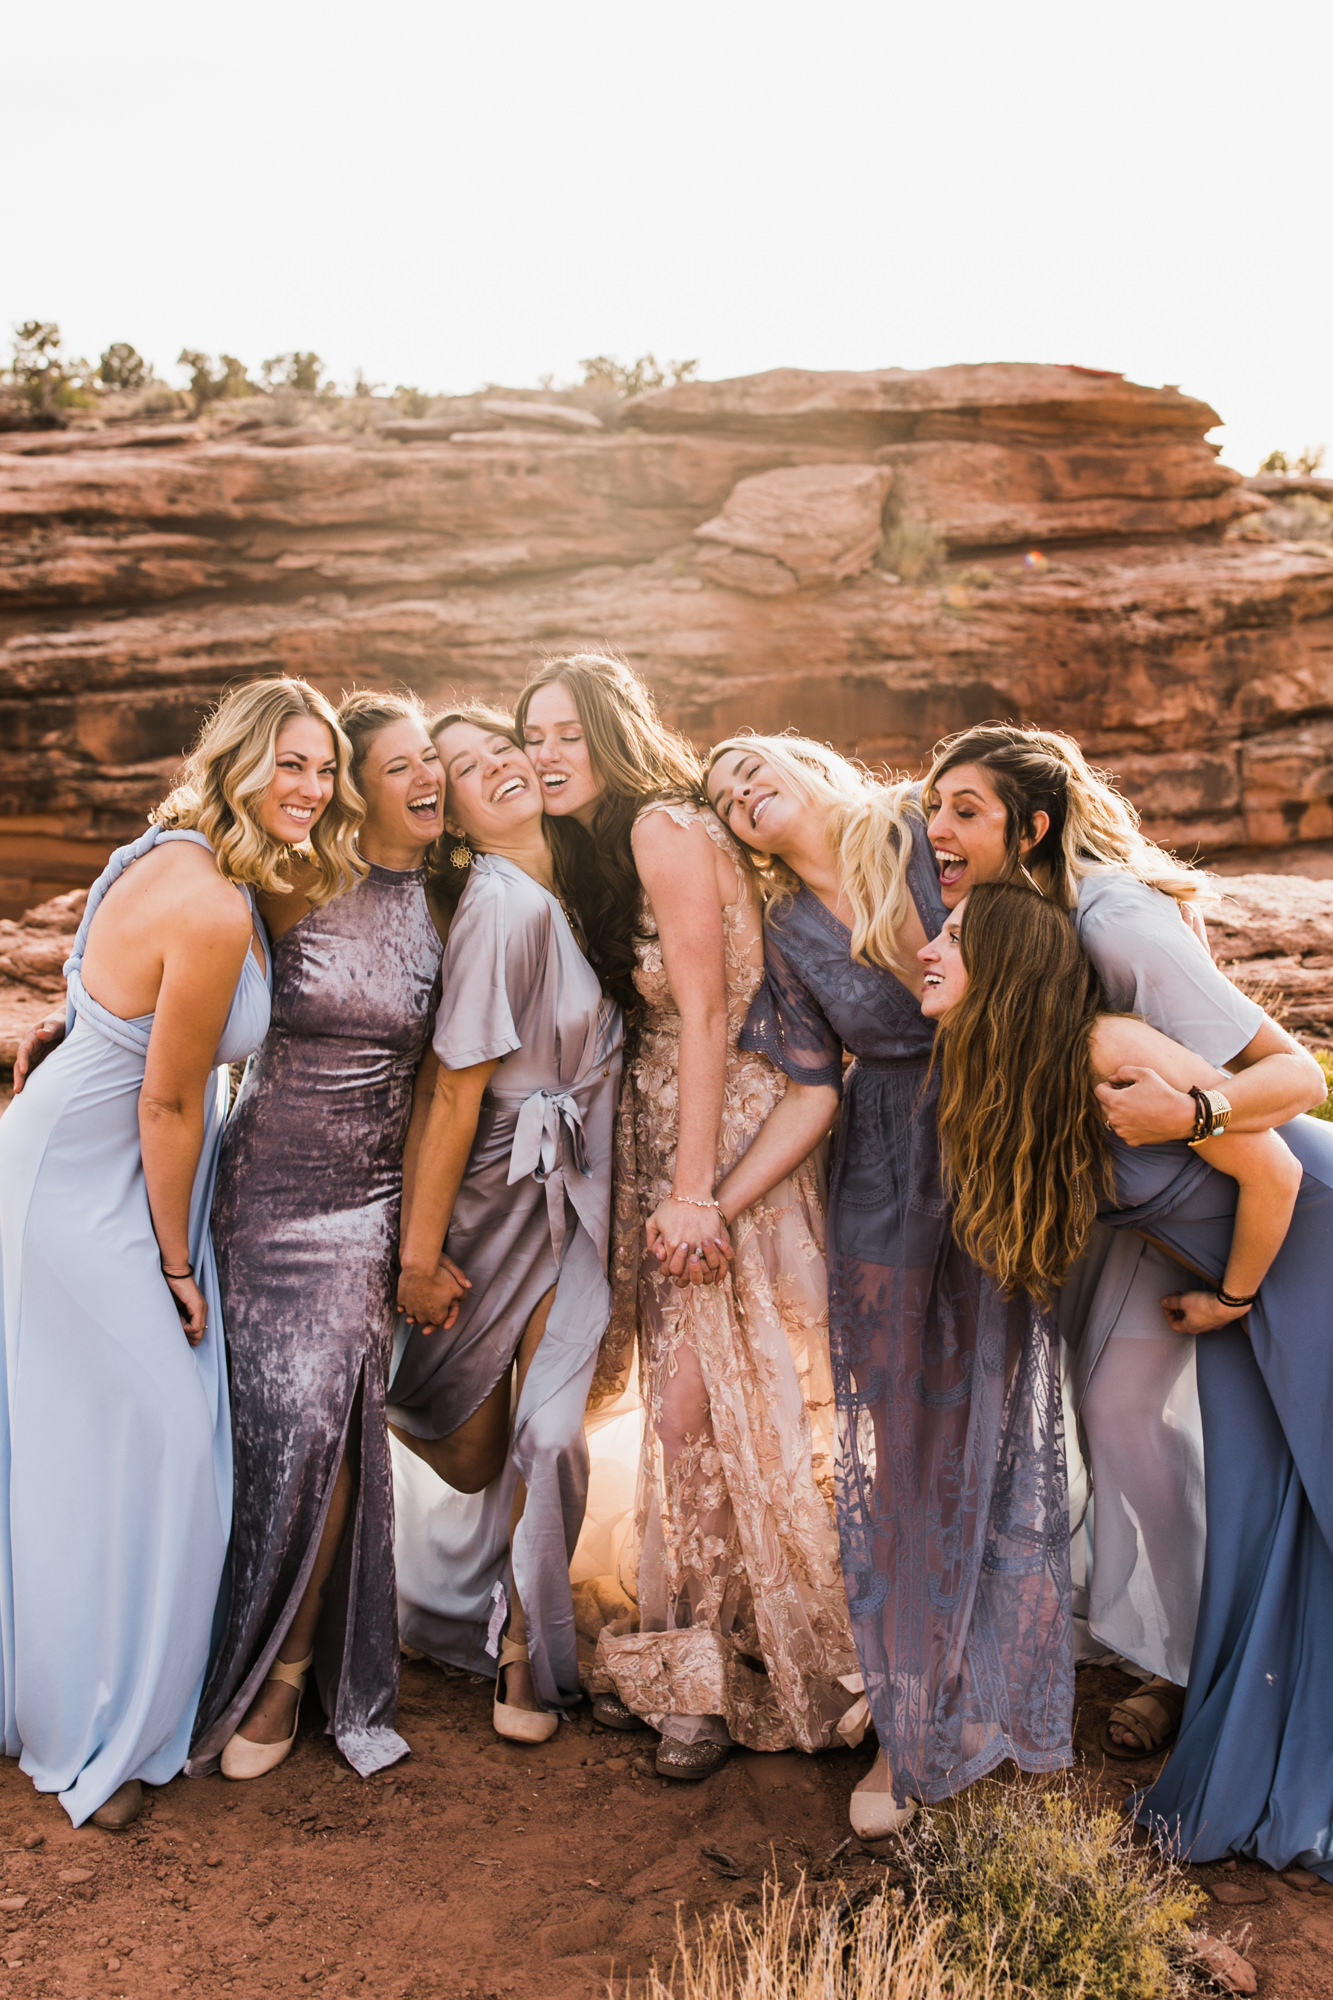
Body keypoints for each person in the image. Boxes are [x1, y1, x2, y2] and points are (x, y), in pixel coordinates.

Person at [923, 723, 1325, 1757]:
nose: (937, 831)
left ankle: (1218, 1675)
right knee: (1118, 1411)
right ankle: (1191, 1659)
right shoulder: (1009, 936)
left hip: (1279, 1217)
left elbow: (1293, 1086)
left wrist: (1189, 1118)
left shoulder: (1116, 923)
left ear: (1032, 824)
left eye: (963, 808)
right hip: (1187, 1221)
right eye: (932, 808)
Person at [0, 675, 358, 1829]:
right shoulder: (206, 900)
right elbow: (167, 1103)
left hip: (80, 1158)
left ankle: (84, 1691)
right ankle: (92, 1723)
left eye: (326, 768)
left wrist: (69, 1030)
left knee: (95, 1445)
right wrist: (173, 1263)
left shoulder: (171, 846)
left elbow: (106, 998)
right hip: (86, 1193)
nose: (311, 788)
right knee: (161, 1437)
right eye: (290, 763)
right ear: (240, 759)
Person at [705, 735, 1073, 1836]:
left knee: (990, 1422)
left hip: (991, 1141)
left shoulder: (927, 840)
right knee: (896, 1442)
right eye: (724, 795)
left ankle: (981, 1687)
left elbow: (1045, 930)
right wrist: (709, 1205)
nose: (741, 789)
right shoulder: (785, 930)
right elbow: (812, 1088)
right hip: (879, 1166)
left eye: (752, 764)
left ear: (808, 764)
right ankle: (905, 1719)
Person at [517, 657, 854, 1780]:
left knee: (712, 1404)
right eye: (533, 739)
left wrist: (697, 1186)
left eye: (567, 732)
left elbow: (706, 1015)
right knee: (702, 1412)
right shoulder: (611, 846)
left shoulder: (662, 824)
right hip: (669, 1135)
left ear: (613, 733)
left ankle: (773, 1663)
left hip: (723, 1132)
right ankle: (708, 1659)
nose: (546, 754)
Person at [188, 691, 446, 1782]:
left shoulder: (460, 899)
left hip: (359, 1204)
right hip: (254, 1188)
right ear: (359, 785)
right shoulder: (293, 878)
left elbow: (452, 1089)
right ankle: (203, 1651)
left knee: (320, 1422)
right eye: (400, 764)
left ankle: (290, 1670)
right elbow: (188, 974)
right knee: (241, 1426)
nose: (426, 777)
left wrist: (425, 1238)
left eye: (434, 757)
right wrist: (80, 1023)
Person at [387, 708, 623, 1745]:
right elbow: (451, 1089)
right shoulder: (496, 903)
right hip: (498, 1193)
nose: (498, 768)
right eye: (467, 770)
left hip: (582, 1195)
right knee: (476, 1444)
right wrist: (418, 1252)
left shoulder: (589, 879)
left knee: (552, 1428)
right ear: (454, 817)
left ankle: (525, 1644)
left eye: (502, 749)